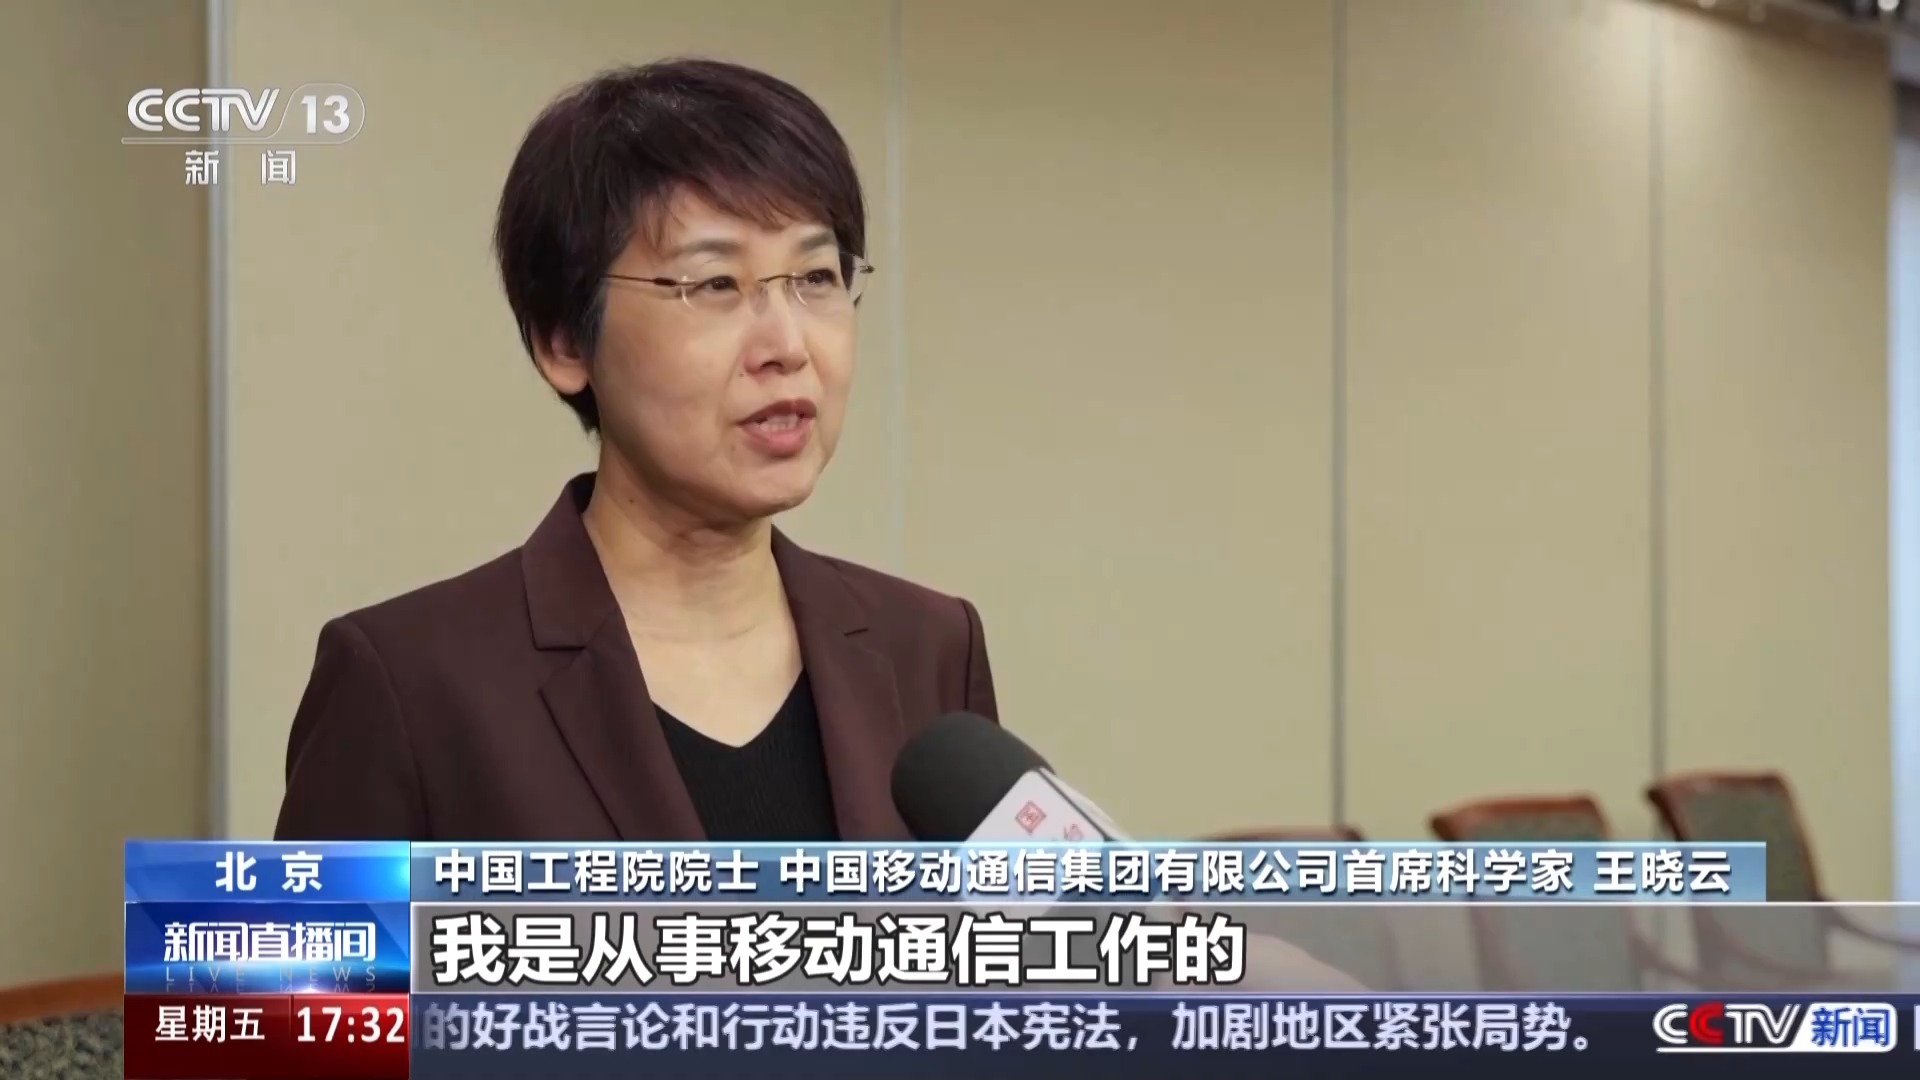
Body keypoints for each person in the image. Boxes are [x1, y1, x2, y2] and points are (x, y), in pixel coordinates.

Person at [275, 59, 997, 843]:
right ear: (563, 340)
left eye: (817, 276)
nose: (787, 345)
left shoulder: (928, 648)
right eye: (715, 284)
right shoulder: (410, 687)